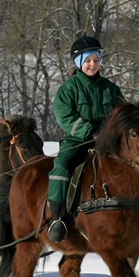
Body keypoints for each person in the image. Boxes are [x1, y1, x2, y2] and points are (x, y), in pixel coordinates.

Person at [47, 36, 126, 242]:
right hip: (77, 141)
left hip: (107, 142)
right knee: (62, 166)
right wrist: (88, 131)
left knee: (135, 162)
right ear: (79, 62)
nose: (92, 64)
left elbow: (122, 114)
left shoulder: (110, 88)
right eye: (88, 60)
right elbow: (65, 117)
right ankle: (58, 217)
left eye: (96, 60)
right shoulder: (68, 89)